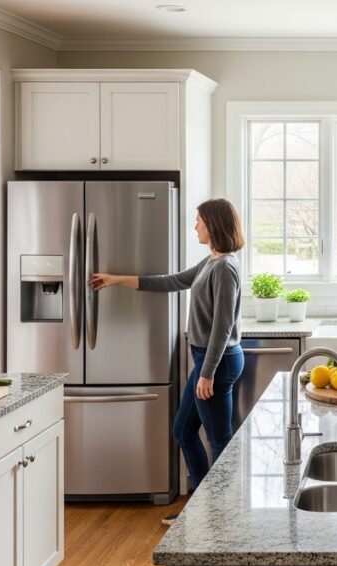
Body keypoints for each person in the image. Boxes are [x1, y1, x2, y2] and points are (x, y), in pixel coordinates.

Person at [90, 199, 245, 524]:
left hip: (216, 363)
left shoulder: (225, 268)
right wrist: (118, 279)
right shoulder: (211, 262)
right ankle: (204, 507)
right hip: (207, 360)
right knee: (183, 431)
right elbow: (172, 281)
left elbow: (223, 325)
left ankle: (222, 517)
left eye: (199, 221)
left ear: (214, 224)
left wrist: (207, 373)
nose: (195, 226)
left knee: (219, 441)